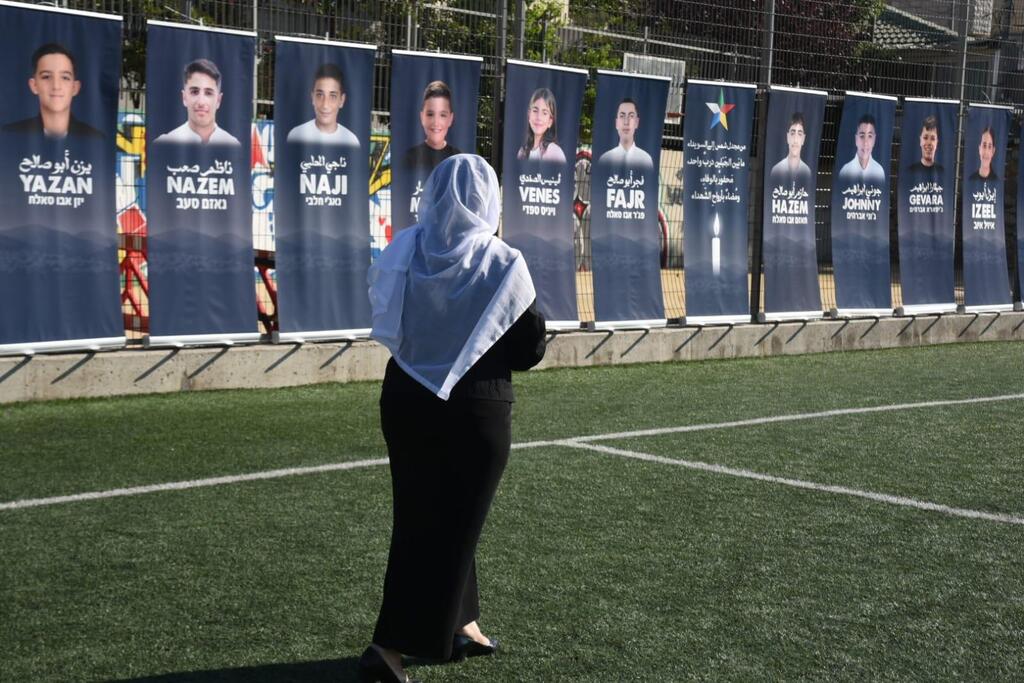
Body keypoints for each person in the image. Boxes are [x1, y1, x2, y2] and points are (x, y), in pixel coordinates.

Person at [361, 154, 546, 683]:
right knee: (447, 532)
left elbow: (387, 315)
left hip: (404, 400)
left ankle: (463, 623)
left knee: (430, 519)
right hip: (476, 412)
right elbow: (529, 347)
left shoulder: (407, 247)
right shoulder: (501, 261)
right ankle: (390, 648)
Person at [2, 43, 102, 139]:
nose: (56, 86)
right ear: (34, 85)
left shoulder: (95, 139)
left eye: (65, 77)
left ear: (75, 88)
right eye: (46, 77)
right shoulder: (10, 134)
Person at [154, 59, 241, 146]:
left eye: (208, 93)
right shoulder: (164, 143)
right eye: (194, 92)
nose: (201, 102)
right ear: (184, 98)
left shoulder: (233, 145)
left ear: (218, 100)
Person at [286, 63, 359, 147]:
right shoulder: (296, 135)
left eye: (333, 96)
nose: (325, 105)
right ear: (312, 97)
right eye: (320, 95)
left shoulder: (351, 141)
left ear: (341, 100)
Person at [401, 81, 461, 174]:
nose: (436, 122)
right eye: (430, 114)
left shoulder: (458, 158)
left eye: (442, 115)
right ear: (422, 117)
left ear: (451, 119)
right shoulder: (409, 157)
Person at [597, 98, 653, 168]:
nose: (626, 122)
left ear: (637, 122)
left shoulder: (646, 161)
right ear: (616, 123)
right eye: (622, 116)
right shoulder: (605, 159)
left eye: (631, 116)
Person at [516, 87, 565, 163]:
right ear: (529, 115)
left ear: (550, 121)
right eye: (535, 111)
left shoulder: (555, 153)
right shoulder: (522, 152)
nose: (539, 117)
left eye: (544, 113)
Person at [838, 113, 885, 185]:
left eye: (870, 136)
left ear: (874, 139)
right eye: (862, 136)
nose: (865, 143)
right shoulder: (845, 171)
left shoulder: (879, 171)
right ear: (856, 139)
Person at [769, 112, 812, 189]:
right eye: (792, 133)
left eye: (799, 134)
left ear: (803, 139)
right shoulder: (776, 171)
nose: (795, 140)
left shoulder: (807, 172)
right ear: (787, 137)